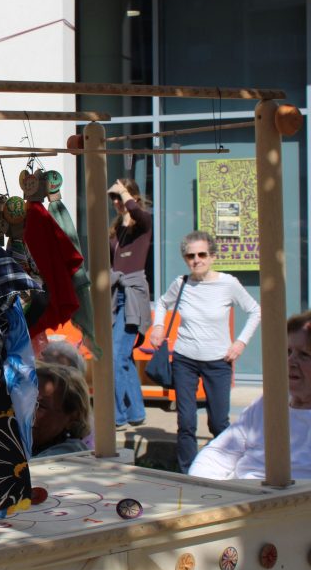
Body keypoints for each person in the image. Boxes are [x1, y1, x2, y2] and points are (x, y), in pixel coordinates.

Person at [149, 230, 262, 473]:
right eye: (191, 256)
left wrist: (240, 343)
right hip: (185, 360)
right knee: (186, 422)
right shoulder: (181, 283)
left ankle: (222, 469)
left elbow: (255, 310)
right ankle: (189, 473)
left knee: (219, 422)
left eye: (202, 254)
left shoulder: (228, 283)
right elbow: (162, 303)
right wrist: (158, 326)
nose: (196, 260)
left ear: (212, 256)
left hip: (219, 361)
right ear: (185, 259)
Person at [189, 310, 311, 480]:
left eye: (304, 355)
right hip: (239, 492)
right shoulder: (269, 402)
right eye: (288, 351)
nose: (290, 361)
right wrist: (202, 486)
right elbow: (219, 453)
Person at [107, 178, 152, 430]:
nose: (116, 202)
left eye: (120, 196)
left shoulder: (143, 223)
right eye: (113, 197)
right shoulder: (115, 230)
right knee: (123, 355)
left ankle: (117, 416)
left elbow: (137, 213)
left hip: (133, 294)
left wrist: (124, 193)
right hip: (117, 294)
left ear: (132, 196)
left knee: (116, 356)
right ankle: (136, 412)